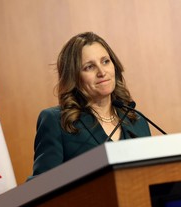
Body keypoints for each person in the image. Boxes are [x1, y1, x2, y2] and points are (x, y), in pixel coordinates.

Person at [29, 32, 151, 179]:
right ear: (73, 77)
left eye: (105, 61)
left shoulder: (137, 121)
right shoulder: (57, 121)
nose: (102, 72)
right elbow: (41, 186)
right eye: (89, 67)